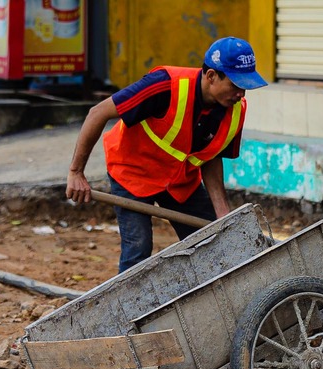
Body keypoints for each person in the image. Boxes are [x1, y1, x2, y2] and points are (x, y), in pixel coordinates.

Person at [66, 36, 267, 273]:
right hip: (133, 173)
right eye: (235, 85)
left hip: (179, 181)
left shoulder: (234, 109)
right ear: (212, 76)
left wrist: (222, 214)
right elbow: (97, 113)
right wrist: (76, 172)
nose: (240, 94)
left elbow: (211, 156)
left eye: (245, 87)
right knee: (138, 249)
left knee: (214, 240)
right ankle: (133, 309)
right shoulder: (165, 85)